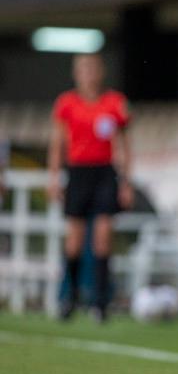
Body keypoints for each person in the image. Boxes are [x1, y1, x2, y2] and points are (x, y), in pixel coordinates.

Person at [47, 53, 134, 322]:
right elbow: (58, 142)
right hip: (79, 172)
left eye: (92, 68)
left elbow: (124, 145)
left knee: (103, 235)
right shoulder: (66, 103)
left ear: (101, 71)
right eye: (83, 69)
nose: (88, 73)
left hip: (105, 172)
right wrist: (53, 175)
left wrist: (126, 182)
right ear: (76, 73)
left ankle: (100, 301)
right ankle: (70, 296)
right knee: (74, 239)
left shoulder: (114, 103)